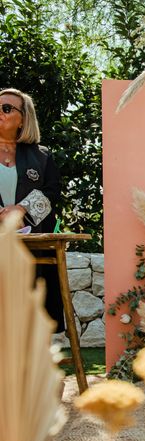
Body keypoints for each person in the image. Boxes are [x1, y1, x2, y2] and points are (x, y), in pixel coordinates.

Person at [0, 88, 64, 332]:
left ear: (23, 119)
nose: (0, 112)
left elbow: (51, 193)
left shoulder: (42, 157)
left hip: (32, 249)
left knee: (33, 321)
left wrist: (20, 211)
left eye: (7, 108)